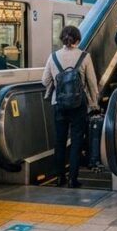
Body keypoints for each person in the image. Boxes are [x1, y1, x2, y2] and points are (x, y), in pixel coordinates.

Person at [42, 25, 100, 187]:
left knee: (59, 141)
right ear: (77, 39)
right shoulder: (84, 57)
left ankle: (59, 177)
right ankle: (72, 179)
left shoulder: (53, 57)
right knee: (76, 141)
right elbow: (92, 83)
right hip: (78, 105)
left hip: (59, 104)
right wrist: (94, 103)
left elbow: (45, 81)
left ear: (62, 38)